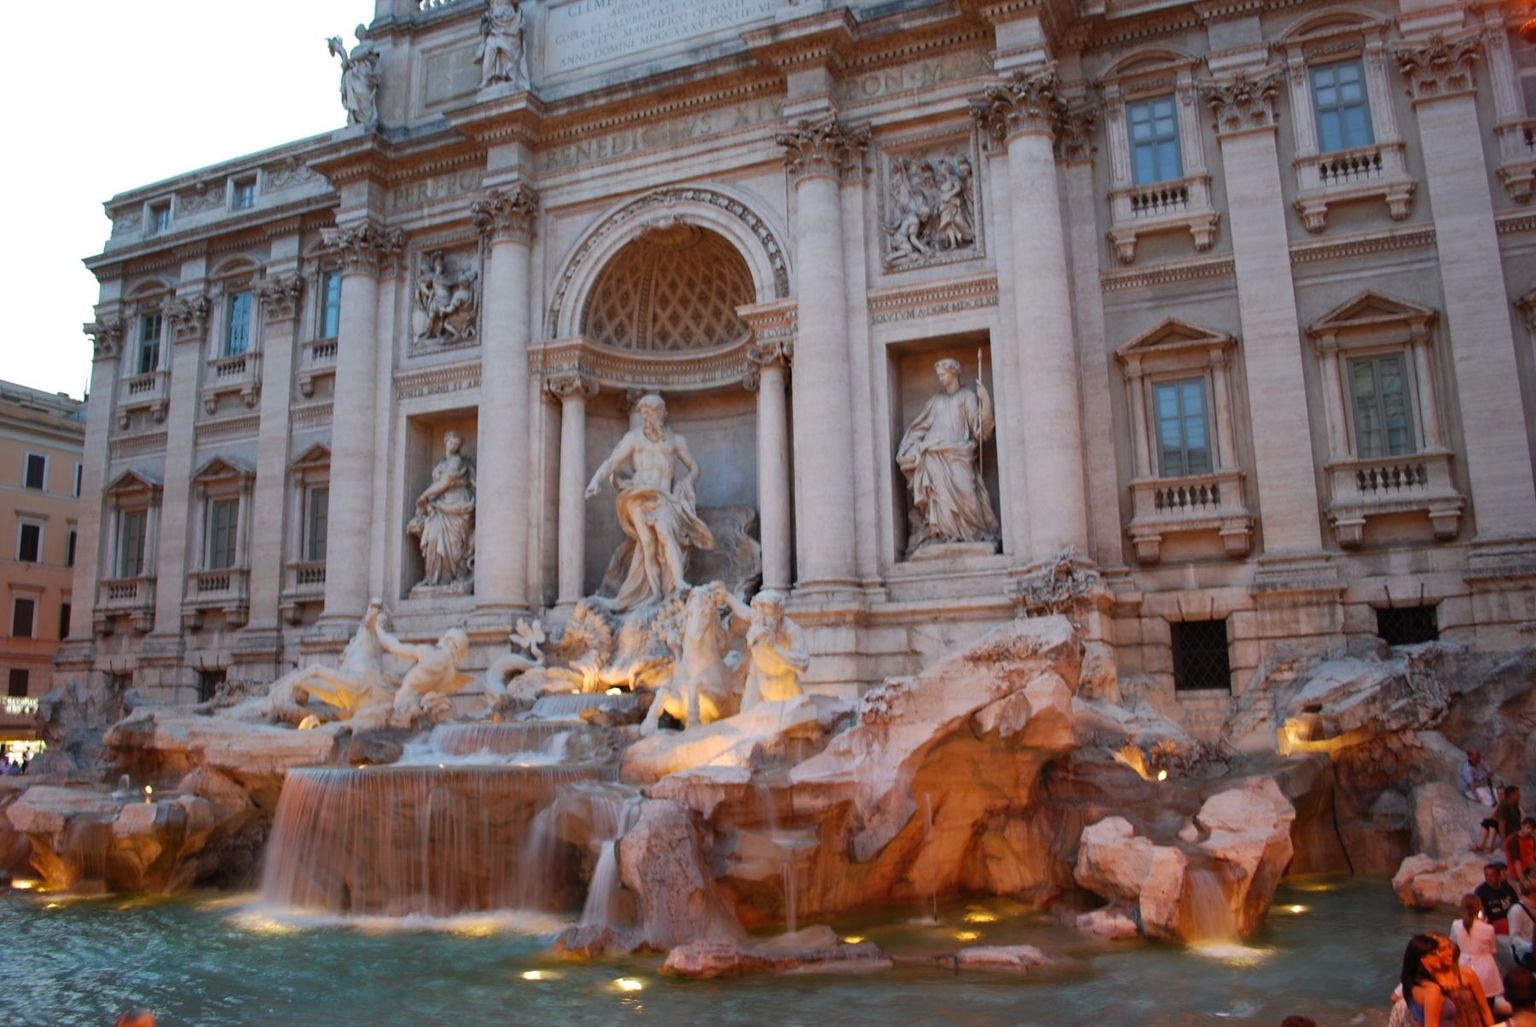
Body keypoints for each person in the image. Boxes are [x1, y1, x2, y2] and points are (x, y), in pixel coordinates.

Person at [585, 394, 713, 611]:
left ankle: (679, 582)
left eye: (654, 411)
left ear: (663, 413)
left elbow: (694, 467)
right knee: (647, 543)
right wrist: (595, 480)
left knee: (664, 532)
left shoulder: (675, 441)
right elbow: (612, 461)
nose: (649, 416)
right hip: (637, 494)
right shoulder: (633, 439)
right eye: (645, 412)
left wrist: (688, 481)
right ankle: (654, 592)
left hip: (663, 497)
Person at [896, 358, 998, 555]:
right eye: (939, 375)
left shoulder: (967, 397)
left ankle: (974, 531)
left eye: (943, 374)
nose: (941, 378)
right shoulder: (936, 401)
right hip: (935, 455)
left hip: (960, 453)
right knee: (939, 496)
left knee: (968, 493)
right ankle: (943, 533)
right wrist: (911, 447)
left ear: (954, 373)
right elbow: (920, 428)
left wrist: (984, 401)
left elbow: (980, 431)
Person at [408, 431, 476, 588]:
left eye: (457, 444)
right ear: (446, 442)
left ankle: (452, 576)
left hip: (456, 503)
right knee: (433, 538)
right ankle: (432, 577)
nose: (453, 446)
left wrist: (424, 496)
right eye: (451, 442)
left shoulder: (457, 461)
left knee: (454, 543)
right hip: (439, 505)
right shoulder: (440, 463)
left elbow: (445, 482)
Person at [1399, 933, 1495, 1027]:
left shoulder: (1466, 974)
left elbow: (1484, 1009)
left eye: (1450, 947)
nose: (1450, 952)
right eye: (1441, 950)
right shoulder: (1429, 986)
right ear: (1423, 958)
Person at [1453, 894, 1505, 1011]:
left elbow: (1453, 945)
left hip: (1463, 966)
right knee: (1486, 1005)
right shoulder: (1488, 928)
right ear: (1480, 908)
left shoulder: (1456, 925)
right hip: (1485, 967)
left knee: (1464, 1005)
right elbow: (1493, 950)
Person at [327, 25, 380, 128]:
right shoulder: (354, 49)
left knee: (363, 94)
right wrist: (340, 50)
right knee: (350, 83)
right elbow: (346, 64)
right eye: (358, 31)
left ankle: (366, 119)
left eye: (362, 30)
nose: (360, 32)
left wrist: (350, 60)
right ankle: (353, 117)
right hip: (353, 75)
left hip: (364, 74)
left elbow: (364, 53)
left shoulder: (370, 43)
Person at [475, 0, 527, 89]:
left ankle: (508, 76)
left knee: (507, 50)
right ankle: (487, 78)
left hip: (509, 21)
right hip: (493, 20)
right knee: (489, 49)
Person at [1478, 863, 1521, 938]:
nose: (1488, 878)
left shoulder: (1507, 888)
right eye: (1486, 875)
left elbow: (1516, 904)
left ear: (1498, 876)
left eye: (1492, 875)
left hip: (1511, 921)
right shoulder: (1480, 892)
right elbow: (1479, 914)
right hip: (1493, 924)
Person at [1510, 880, 1536, 970]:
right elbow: (1514, 938)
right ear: (1532, 894)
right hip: (1527, 954)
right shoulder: (1517, 910)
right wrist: (1530, 946)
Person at [1509, 819, 1536, 891]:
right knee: (1528, 888)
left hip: (1530, 868)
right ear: (1522, 826)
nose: (1530, 831)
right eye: (1528, 827)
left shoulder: (1531, 838)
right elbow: (1516, 863)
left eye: (1532, 829)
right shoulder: (1514, 841)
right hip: (1519, 871)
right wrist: (1523, 880)